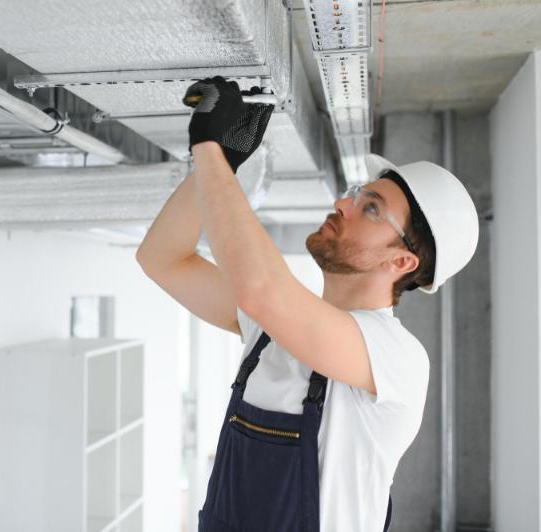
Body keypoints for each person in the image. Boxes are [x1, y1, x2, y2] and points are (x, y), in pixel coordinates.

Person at [136, 76, 479, 531]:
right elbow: (163, 258)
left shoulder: (397, 358)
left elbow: (262, 290)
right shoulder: (272, 333)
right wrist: (222, 163)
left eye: (370, 208)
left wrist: (208, 149)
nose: (342, 204)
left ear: (401, 260)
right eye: (357, 195)